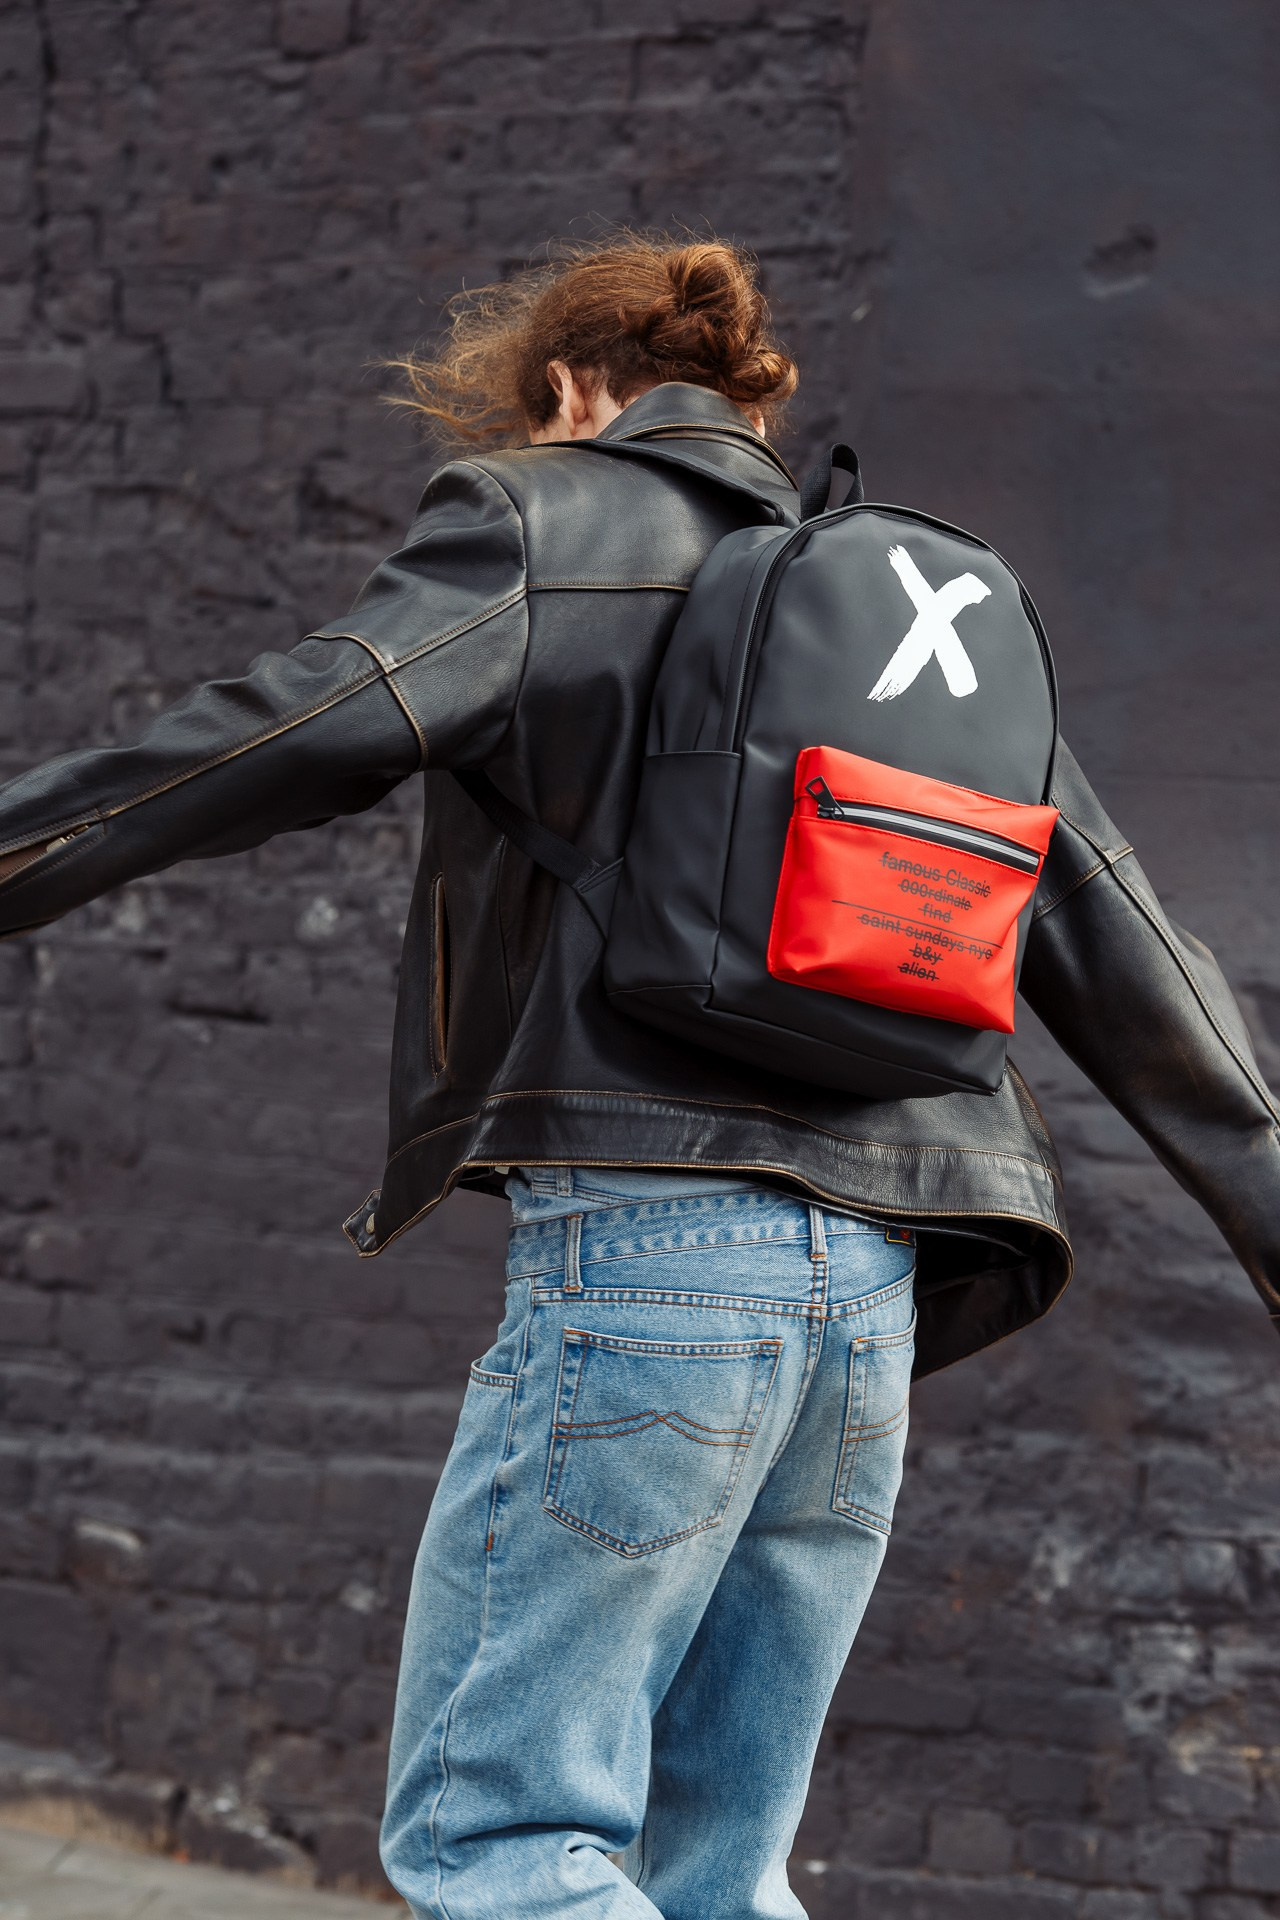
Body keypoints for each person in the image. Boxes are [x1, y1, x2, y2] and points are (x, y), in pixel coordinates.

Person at [1, 231, 1277, 1920]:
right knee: (717, 1875)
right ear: (748, 403)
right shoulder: (931, 612)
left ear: (567, 388)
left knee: (500, 1847)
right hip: (873, 1305)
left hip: (658, 1261)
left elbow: (299, 723)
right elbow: (1128, 942)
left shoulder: (542, 517)